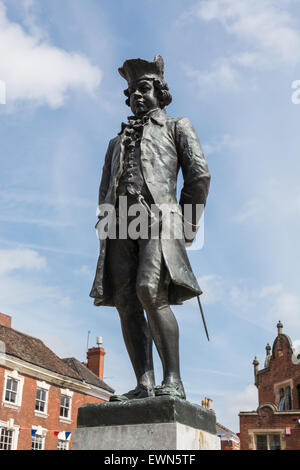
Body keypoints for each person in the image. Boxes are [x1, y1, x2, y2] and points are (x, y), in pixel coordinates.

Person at [90, 55, 210, 401]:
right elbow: (104, 190)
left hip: (158, 218)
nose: (135, 97)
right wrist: (105, 224)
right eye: (130, 93)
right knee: (126, 300)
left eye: (143, 89)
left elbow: (199, 176)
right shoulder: (115, 142)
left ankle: (173, 380)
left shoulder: (177, 126)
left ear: (160, 91)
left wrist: (185, 225)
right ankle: (144, 384)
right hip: (119, 224)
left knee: (148, 289)